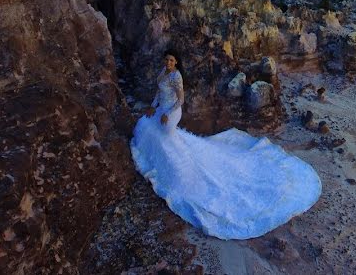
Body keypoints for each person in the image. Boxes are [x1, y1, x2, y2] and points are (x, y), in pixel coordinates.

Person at [131, 51, 322, 240]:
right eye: (166, 59)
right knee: (146, 126)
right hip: (161, 108)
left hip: (172, 111)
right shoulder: (163, 73)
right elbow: (159, 91)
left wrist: (166, 112)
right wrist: (153, 106)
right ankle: (159, 159)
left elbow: (180, 99)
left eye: (172, 60)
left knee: (166, 134)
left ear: (176, 63)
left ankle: (180, 168)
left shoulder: (176, 76)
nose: (169, 62)